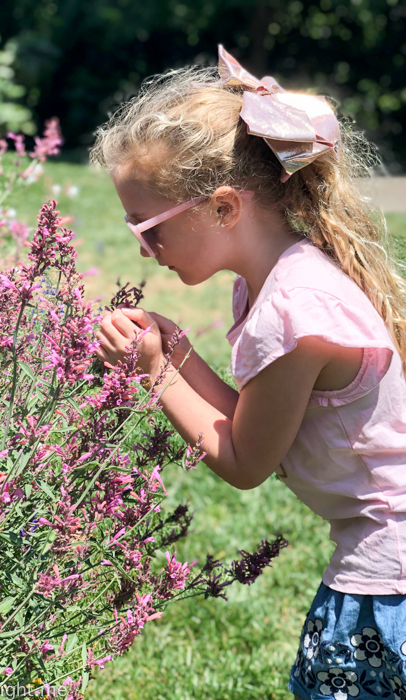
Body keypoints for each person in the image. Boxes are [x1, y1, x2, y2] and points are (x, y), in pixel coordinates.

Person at [90, 45, 406, 700]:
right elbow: (254, 419)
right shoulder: (281, 279)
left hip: (387, 574)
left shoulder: (289, 316)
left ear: (223, 208)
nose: (142, 250)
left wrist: (156, 371)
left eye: (147, 228)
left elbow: (243, 461)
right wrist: (174, 350)